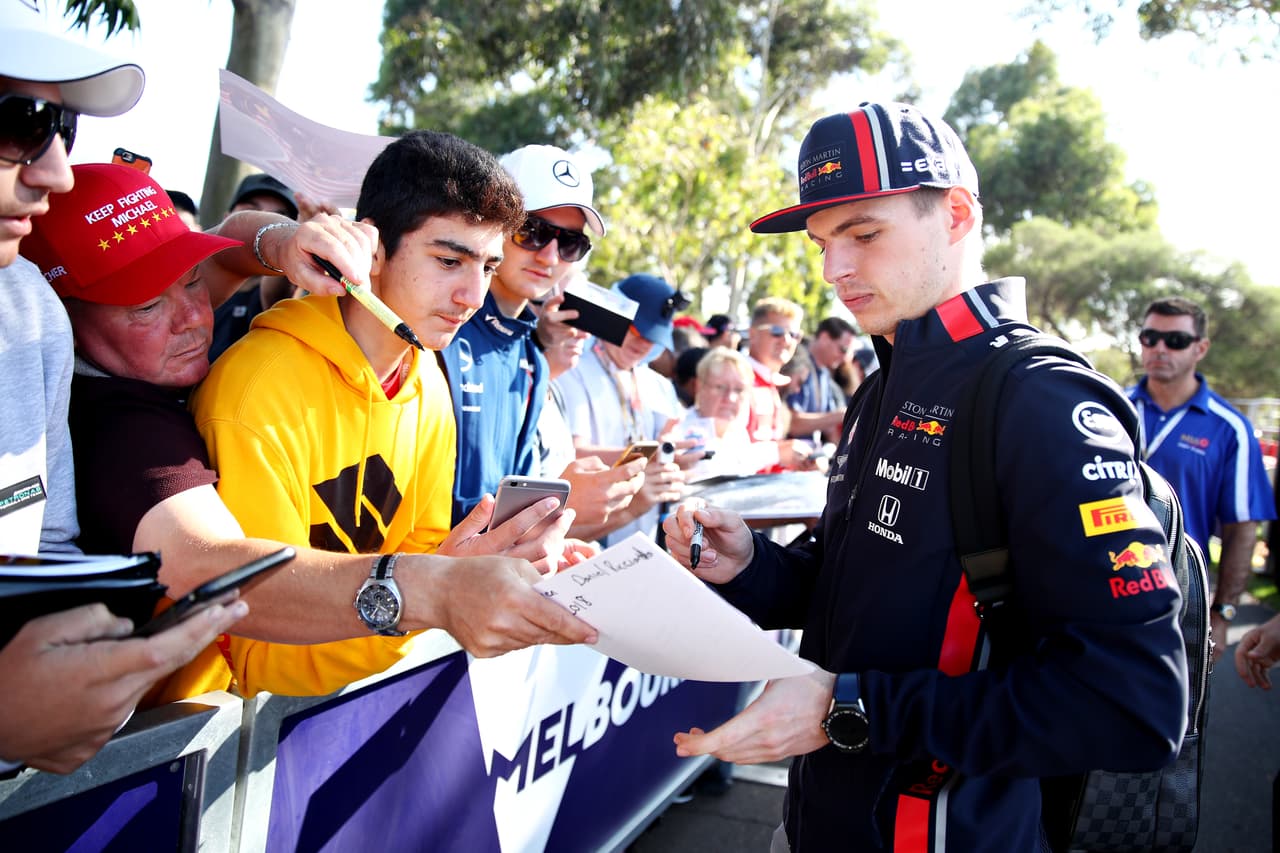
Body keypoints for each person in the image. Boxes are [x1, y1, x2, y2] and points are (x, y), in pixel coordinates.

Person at [663, 101, 1186, 851]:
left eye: (864, 233)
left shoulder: (1039, 398)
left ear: (957, 213)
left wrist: (848, 707)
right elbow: (860, 585)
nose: (835, 269)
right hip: (814, 823)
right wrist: (751, 564)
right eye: (822, 244)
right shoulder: (887, 378)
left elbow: (1134, 704)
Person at [25, 160, 595, 703]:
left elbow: (232, 245)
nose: (196, 317)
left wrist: (282, 242)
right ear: (59, 317)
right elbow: (212, 569)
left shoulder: (424, 376)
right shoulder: (123, 427)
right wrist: (436, 591)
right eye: (147, 306)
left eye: (195, 282)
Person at [0, 0, 245, 774]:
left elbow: (42, 553)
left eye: (61, 128)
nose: (56, 170)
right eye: (21, 122)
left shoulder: (28, 307)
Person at [440, 144, 607, 524]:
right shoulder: (440, 324)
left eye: (570, 243)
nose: (549, 257)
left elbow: (509, 500)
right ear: (493, 221)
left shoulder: (533, 360)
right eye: (532, 231)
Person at [1129, 296, 1277, 663]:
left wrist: (1223, 613)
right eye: (1150, 337)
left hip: (1180, 602)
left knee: (1171, 717)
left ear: (1201, 348)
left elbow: (1241, 526)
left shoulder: (1230, 429)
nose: (1160, 348)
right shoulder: (1107, 409)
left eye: (1175, 340)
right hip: (1101, 590)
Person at [555, 273, 688, 545]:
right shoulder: (572, 367)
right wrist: (649, 455)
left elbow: (672, 439)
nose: (643, 344)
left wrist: (677, 452)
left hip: (645, 533)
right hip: (584, 535)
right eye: (635, 331)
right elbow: (572, 455)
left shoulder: (658, 383)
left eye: (653, 338)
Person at [208, 173, 300, 361]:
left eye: (278, 217)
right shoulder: (195, 287)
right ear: (227, 217)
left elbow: (275, 291)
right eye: (251, 211)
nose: (263, 221)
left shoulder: (276, 293)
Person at [787, 316, 856, 443]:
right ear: (824, 338)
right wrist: (843, 414)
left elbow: (829, 427)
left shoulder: (824, 373)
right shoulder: (796, 364)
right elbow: (792, 424)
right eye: (843, 349)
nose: (846, 358)